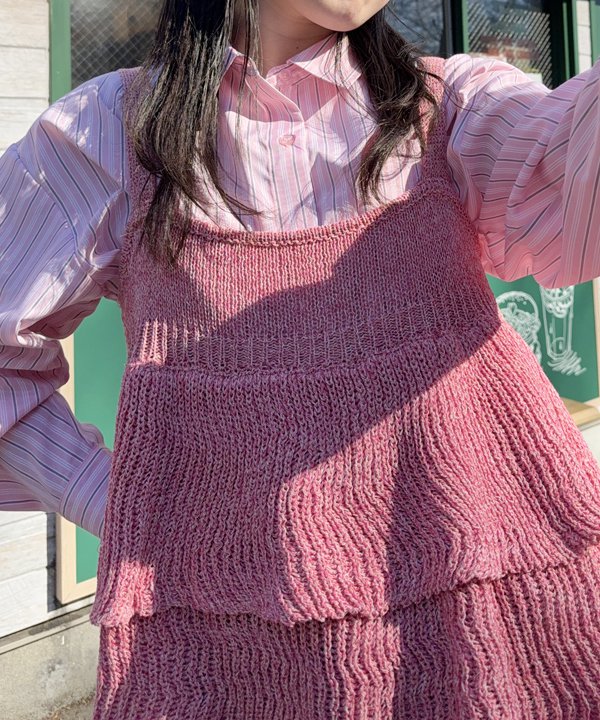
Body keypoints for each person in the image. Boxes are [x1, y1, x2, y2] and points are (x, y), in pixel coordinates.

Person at [2, 1, 600, 718]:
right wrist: (129, 508)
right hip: (229, 658)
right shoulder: (103, 134)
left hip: (505, 612)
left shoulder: (459, 110)